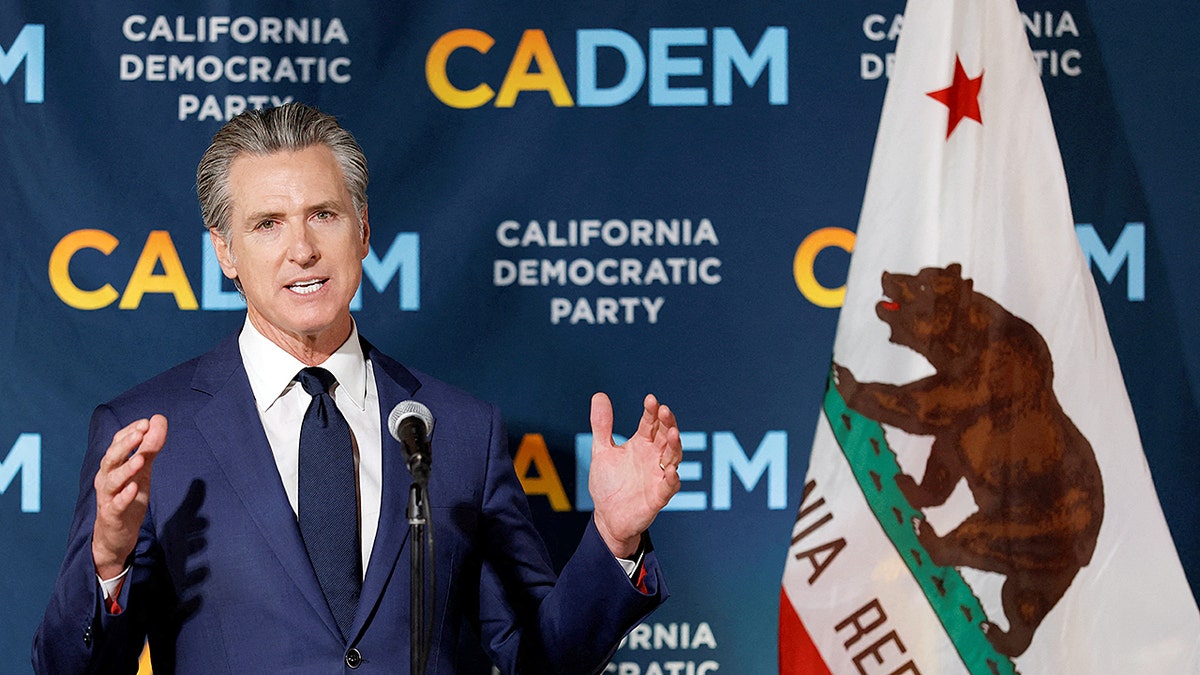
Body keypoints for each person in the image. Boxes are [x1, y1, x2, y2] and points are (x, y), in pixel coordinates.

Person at [32, 103, 683, 674]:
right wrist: (108, 561)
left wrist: (612, 540)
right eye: (268, 224)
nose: (303, 248)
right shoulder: (151, 430)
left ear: (363, 229)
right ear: (225, 252)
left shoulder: (459, 430)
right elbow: (72, 667)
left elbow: (539, 658)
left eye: (324, 214)